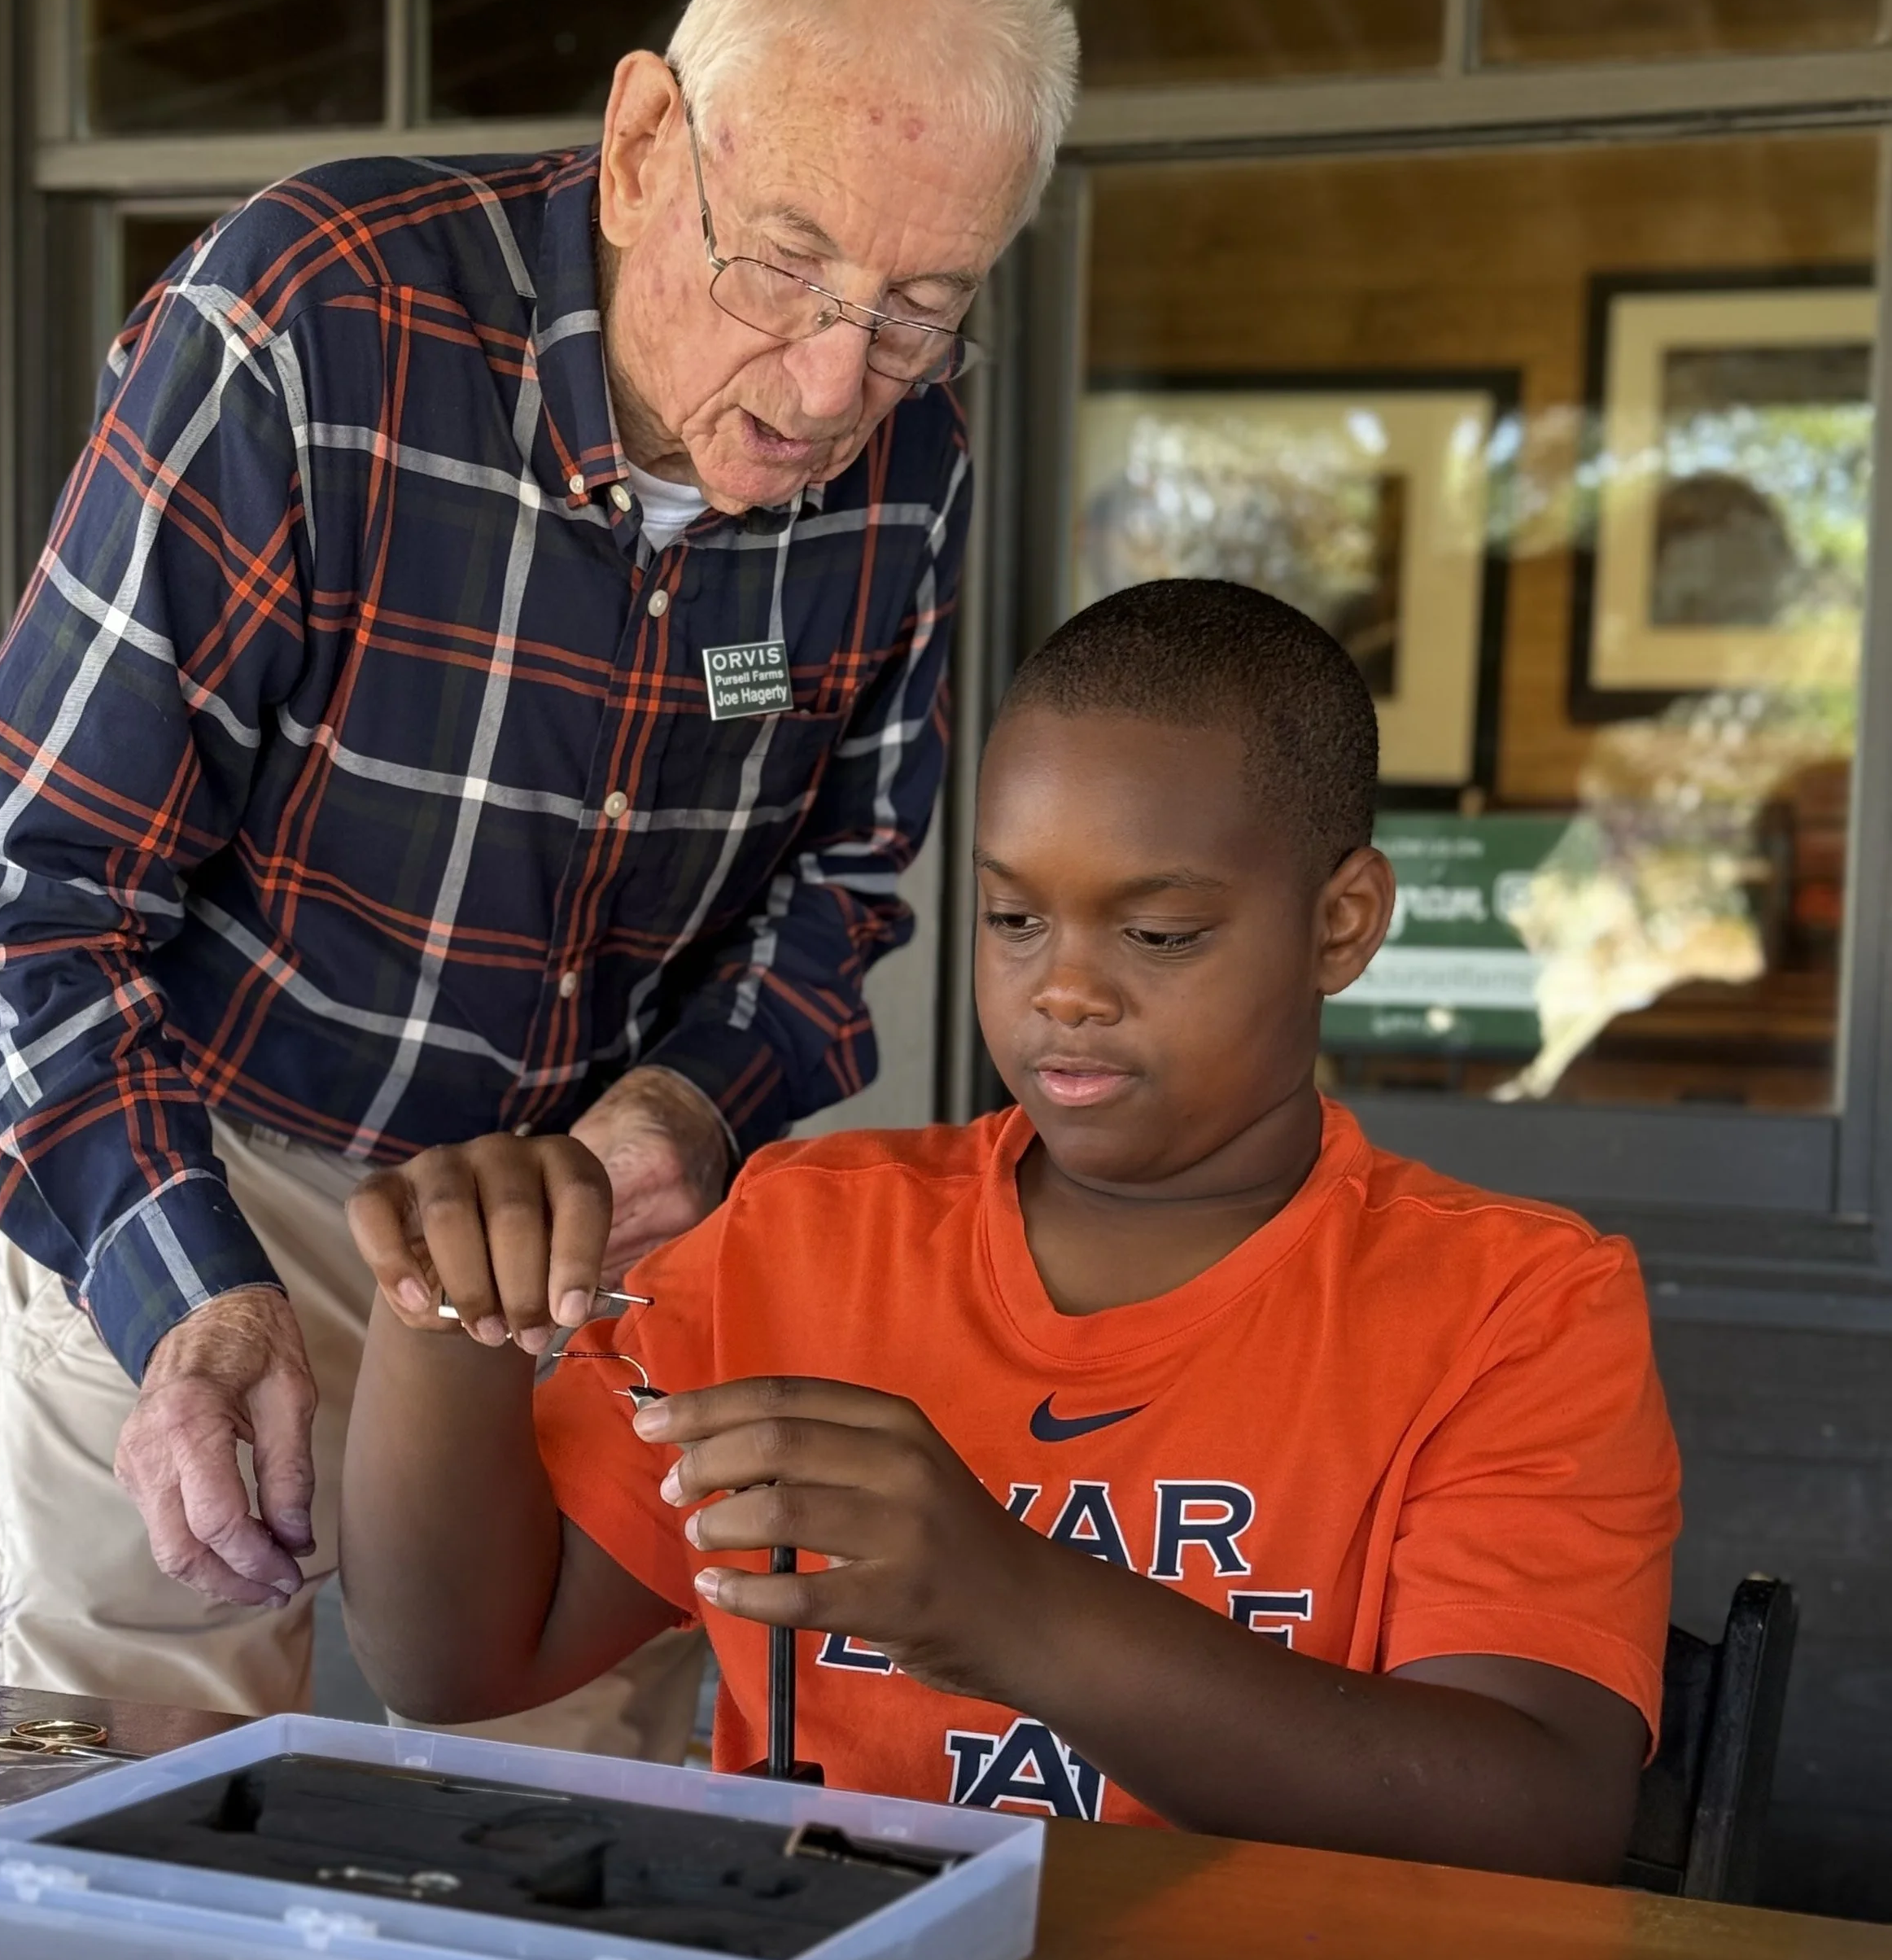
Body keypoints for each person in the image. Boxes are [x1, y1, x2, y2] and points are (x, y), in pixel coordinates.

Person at [0, 0, 1078, 1741]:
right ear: (637, 146)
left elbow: (842, 889)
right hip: (221, 1167)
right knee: (111, 1821)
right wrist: (188, 1297)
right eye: (782, 264)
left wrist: (688, 1112)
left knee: (577, 1855)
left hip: (580, 1241)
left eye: (922, 308)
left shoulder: (903, 453)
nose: (837, 381)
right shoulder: (307, 325)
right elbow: (16, 896)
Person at [337, 578, 1680, 1876]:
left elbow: (1542, 1812)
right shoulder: (801, 1239)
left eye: (1158, 934)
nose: (1067, 990)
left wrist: (1014, 1610)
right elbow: (462, 1663)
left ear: (1341, 925)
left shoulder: (1515, 1303)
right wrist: (451, 1317)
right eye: (1013, 918)